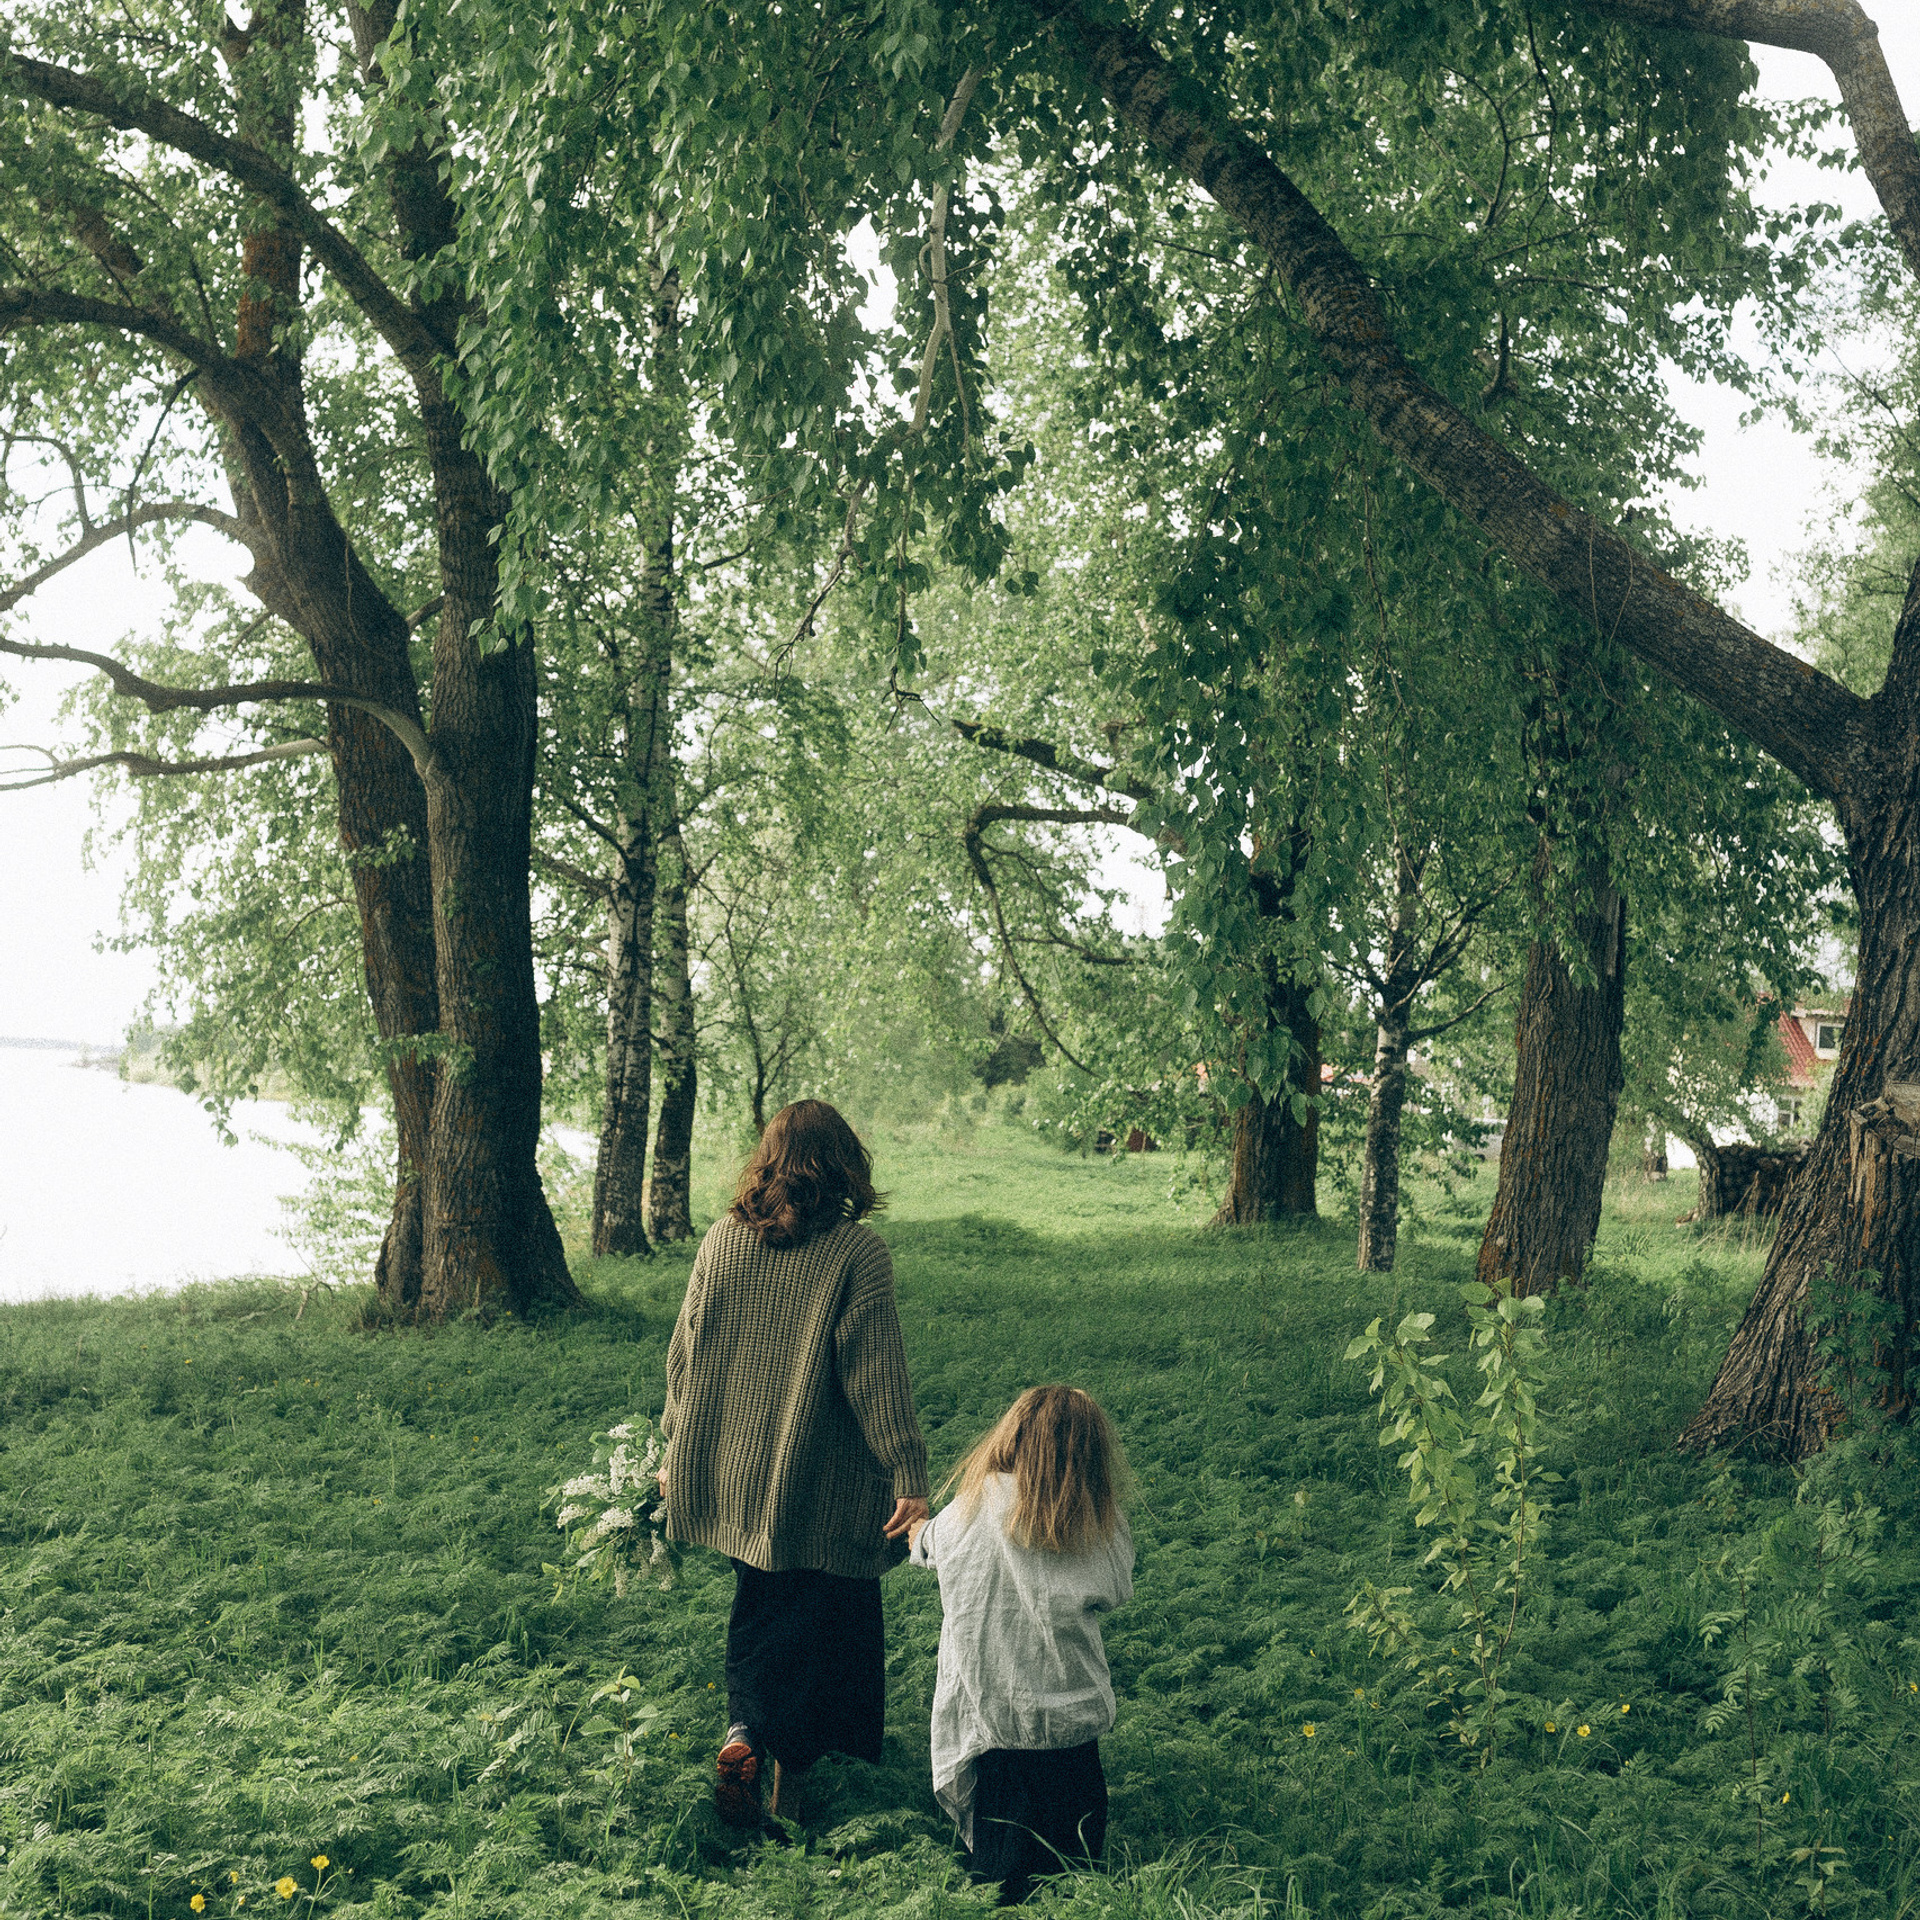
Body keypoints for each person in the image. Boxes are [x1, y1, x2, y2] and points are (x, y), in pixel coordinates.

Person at [659, 1099, 929, 1829]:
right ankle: (789, 1790)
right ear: (844, 1165)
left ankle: (743, 1734)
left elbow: (684, 1355)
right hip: (823, 1486)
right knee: (823, 1629)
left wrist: (675, 1447)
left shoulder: (722, 1239)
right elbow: (876, 1376)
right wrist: (908, 1476)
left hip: (733, 1476)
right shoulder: (856, 1253)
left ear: (768, 1160)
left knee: (760, 1608)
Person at [908, 1385, 1134, 1905]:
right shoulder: (1095, 1514)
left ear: (1013, 1434)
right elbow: (1116, 1586)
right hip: (1074, 1725)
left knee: (1000, 1883)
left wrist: (917, 1530)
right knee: (1075, 1877)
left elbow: (932, 1544)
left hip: (999, 1724)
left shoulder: (977, 1501)